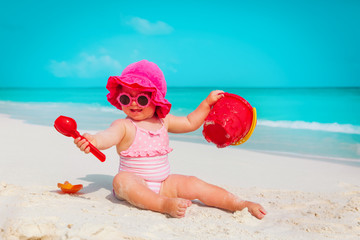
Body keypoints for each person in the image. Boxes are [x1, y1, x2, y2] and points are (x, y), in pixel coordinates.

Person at [75, 60, 267, 219]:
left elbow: (190, 122)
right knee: (121, 180)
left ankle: (239, 203)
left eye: (141, 99)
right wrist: (93, 140)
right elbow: (107, 137)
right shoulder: (123, 125)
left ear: (155, 99)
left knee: (193, 183)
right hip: (135, 185)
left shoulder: (163, 121)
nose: (133, 103)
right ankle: (163, 205)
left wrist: (207, 104)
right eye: (126, 98)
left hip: (164, 183)